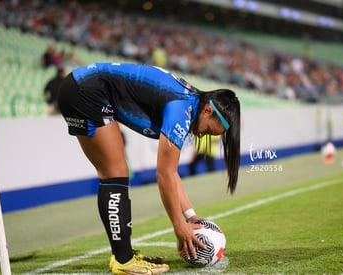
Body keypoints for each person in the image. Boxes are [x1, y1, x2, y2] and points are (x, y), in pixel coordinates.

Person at [57, 62, 241, 275]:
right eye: (207, 130)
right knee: (115, 173)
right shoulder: (182, 108)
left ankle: (123, 256)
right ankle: (123, 261)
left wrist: (190, 216)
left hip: (82, 87)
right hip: (86, 91)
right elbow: (165, 174)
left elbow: (171, 174)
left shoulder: (189, 104)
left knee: (113, 174)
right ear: (208, 110)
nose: (201, 136)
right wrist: (179, 225)